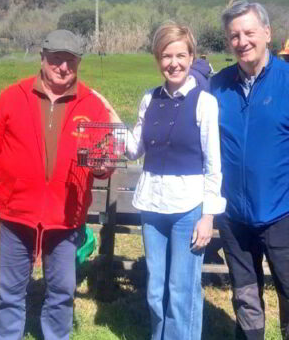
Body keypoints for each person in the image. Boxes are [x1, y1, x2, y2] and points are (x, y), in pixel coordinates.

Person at [0, 29, 114, 340]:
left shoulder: (92, 105)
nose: (63, 67)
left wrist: (103, 167)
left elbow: (103, 157)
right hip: (15, 213)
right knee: (9, 291)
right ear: (42, 59)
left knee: (62, 293)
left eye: (70, 61)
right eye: (56, 60)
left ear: (79, 63)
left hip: (65, 218)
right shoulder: (13, 96)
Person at [210, 1, 289, 340]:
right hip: (234, 215)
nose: (242, 41)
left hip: (284, 212)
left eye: (249, 32)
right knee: (245, 294)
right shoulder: (218, 86)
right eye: (234, 35)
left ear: (267, 33)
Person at [95, 22, 225, 340]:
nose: (174, 63)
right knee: (155, 288)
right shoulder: (148, 99)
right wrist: (111, 114)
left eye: (181, 55)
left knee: (182, 290)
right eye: (166, 55)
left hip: (188, 208)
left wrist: (208, 216)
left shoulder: (204, 103)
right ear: (158, 59)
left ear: (192, 57)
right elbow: (134, 148)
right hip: (152, 206)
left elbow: (213, 165)